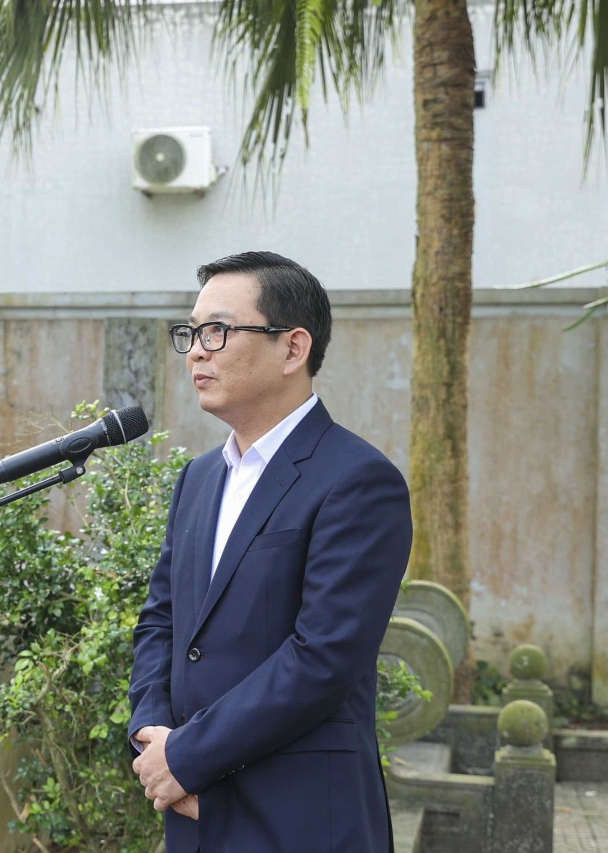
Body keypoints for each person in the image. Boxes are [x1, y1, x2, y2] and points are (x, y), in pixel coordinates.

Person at [128, 251, 413, 852]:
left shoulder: (358, 479)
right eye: (192, 333)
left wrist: (188, 755)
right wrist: (152, 739)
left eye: (219, 331)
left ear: (293, 348)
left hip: (301, 815)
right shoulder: (199, 478)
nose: (197, 351)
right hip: (191, 810)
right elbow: (162, 621)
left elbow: (323, 656)